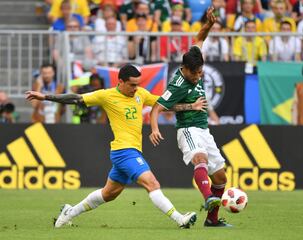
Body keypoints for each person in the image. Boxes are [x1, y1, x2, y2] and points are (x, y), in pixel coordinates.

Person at [25, 64, 209, 229]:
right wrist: (46, 97)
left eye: (138, 84)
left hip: (131, 151)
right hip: (124, 151)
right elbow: (76, 98)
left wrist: (191, 106)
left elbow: (164, 105)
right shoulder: (106, 96)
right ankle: (180, 219)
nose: (135, 88)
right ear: (120, 82)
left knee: (108, 194)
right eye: (132, 85)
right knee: (152, 183)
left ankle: (69, 212)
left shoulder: (140, 94)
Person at [149, 7, 231, 227]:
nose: (198, 76)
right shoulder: (177, 84)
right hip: (188, 130)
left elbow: (198, 38)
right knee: (200, 159)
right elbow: (157, 108)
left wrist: (210, 24)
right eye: (194, 73)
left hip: (204, 129)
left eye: (200, 72)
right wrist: (155, 128)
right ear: (184, 68)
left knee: (221, 178)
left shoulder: (194, 58)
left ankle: (212, 220)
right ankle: (207, 197)